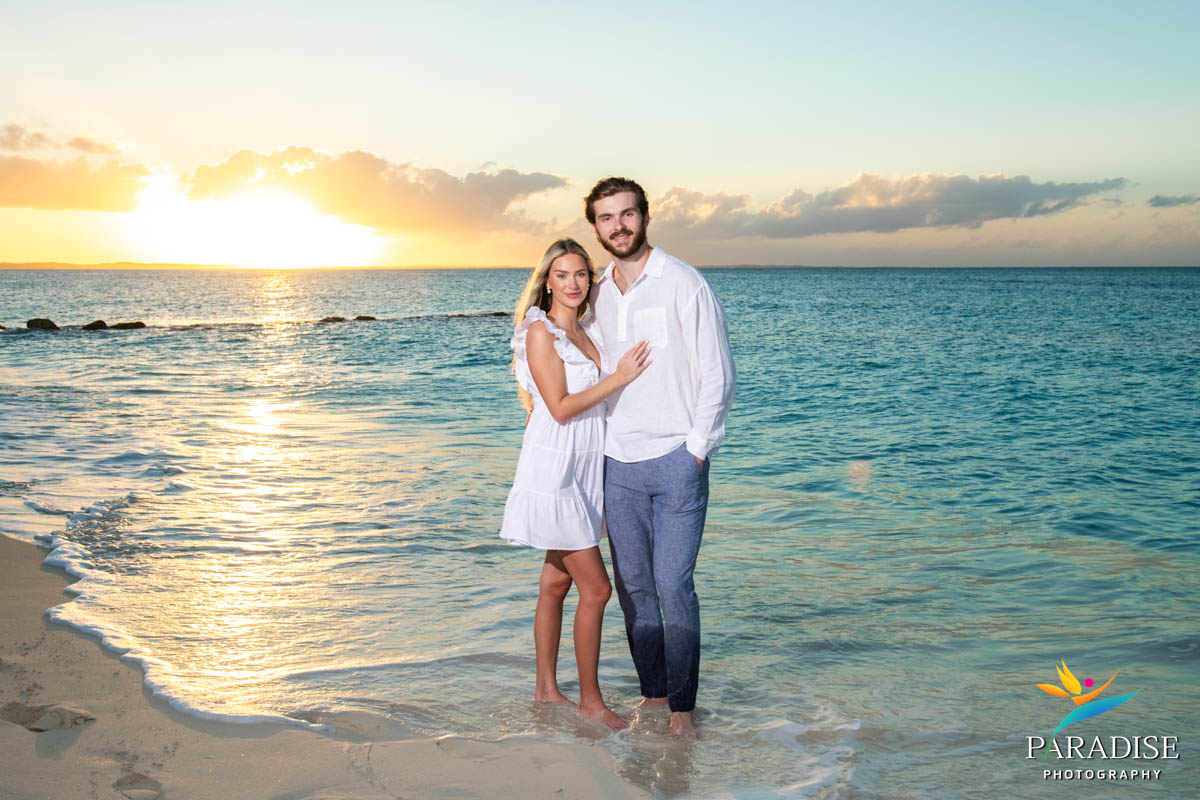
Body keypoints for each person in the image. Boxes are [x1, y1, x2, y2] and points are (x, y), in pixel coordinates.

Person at [583, 177, 735, 737]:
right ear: (595, 227)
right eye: (605, 218)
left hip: (676, 458)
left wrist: (697, 449)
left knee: (674, 585)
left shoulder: (683, 283)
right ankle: (653, 693)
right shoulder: (596, 292)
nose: (617, 226)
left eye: (626, 215)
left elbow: (717, 372)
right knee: (635, 587)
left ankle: (684, 711)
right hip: (616, 462)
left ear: (644, 217)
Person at [500, 237, 652, 730]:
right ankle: (590, 700)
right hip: (557, 468)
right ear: (547, 281)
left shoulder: (586, 330)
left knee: (556, 580)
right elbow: (561, 409)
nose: (573, 283)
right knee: (598, 589)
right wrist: (620, 377)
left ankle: (546, 690)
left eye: (581, 274)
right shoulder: (540, 330)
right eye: (562, 275)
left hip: (586, 465)